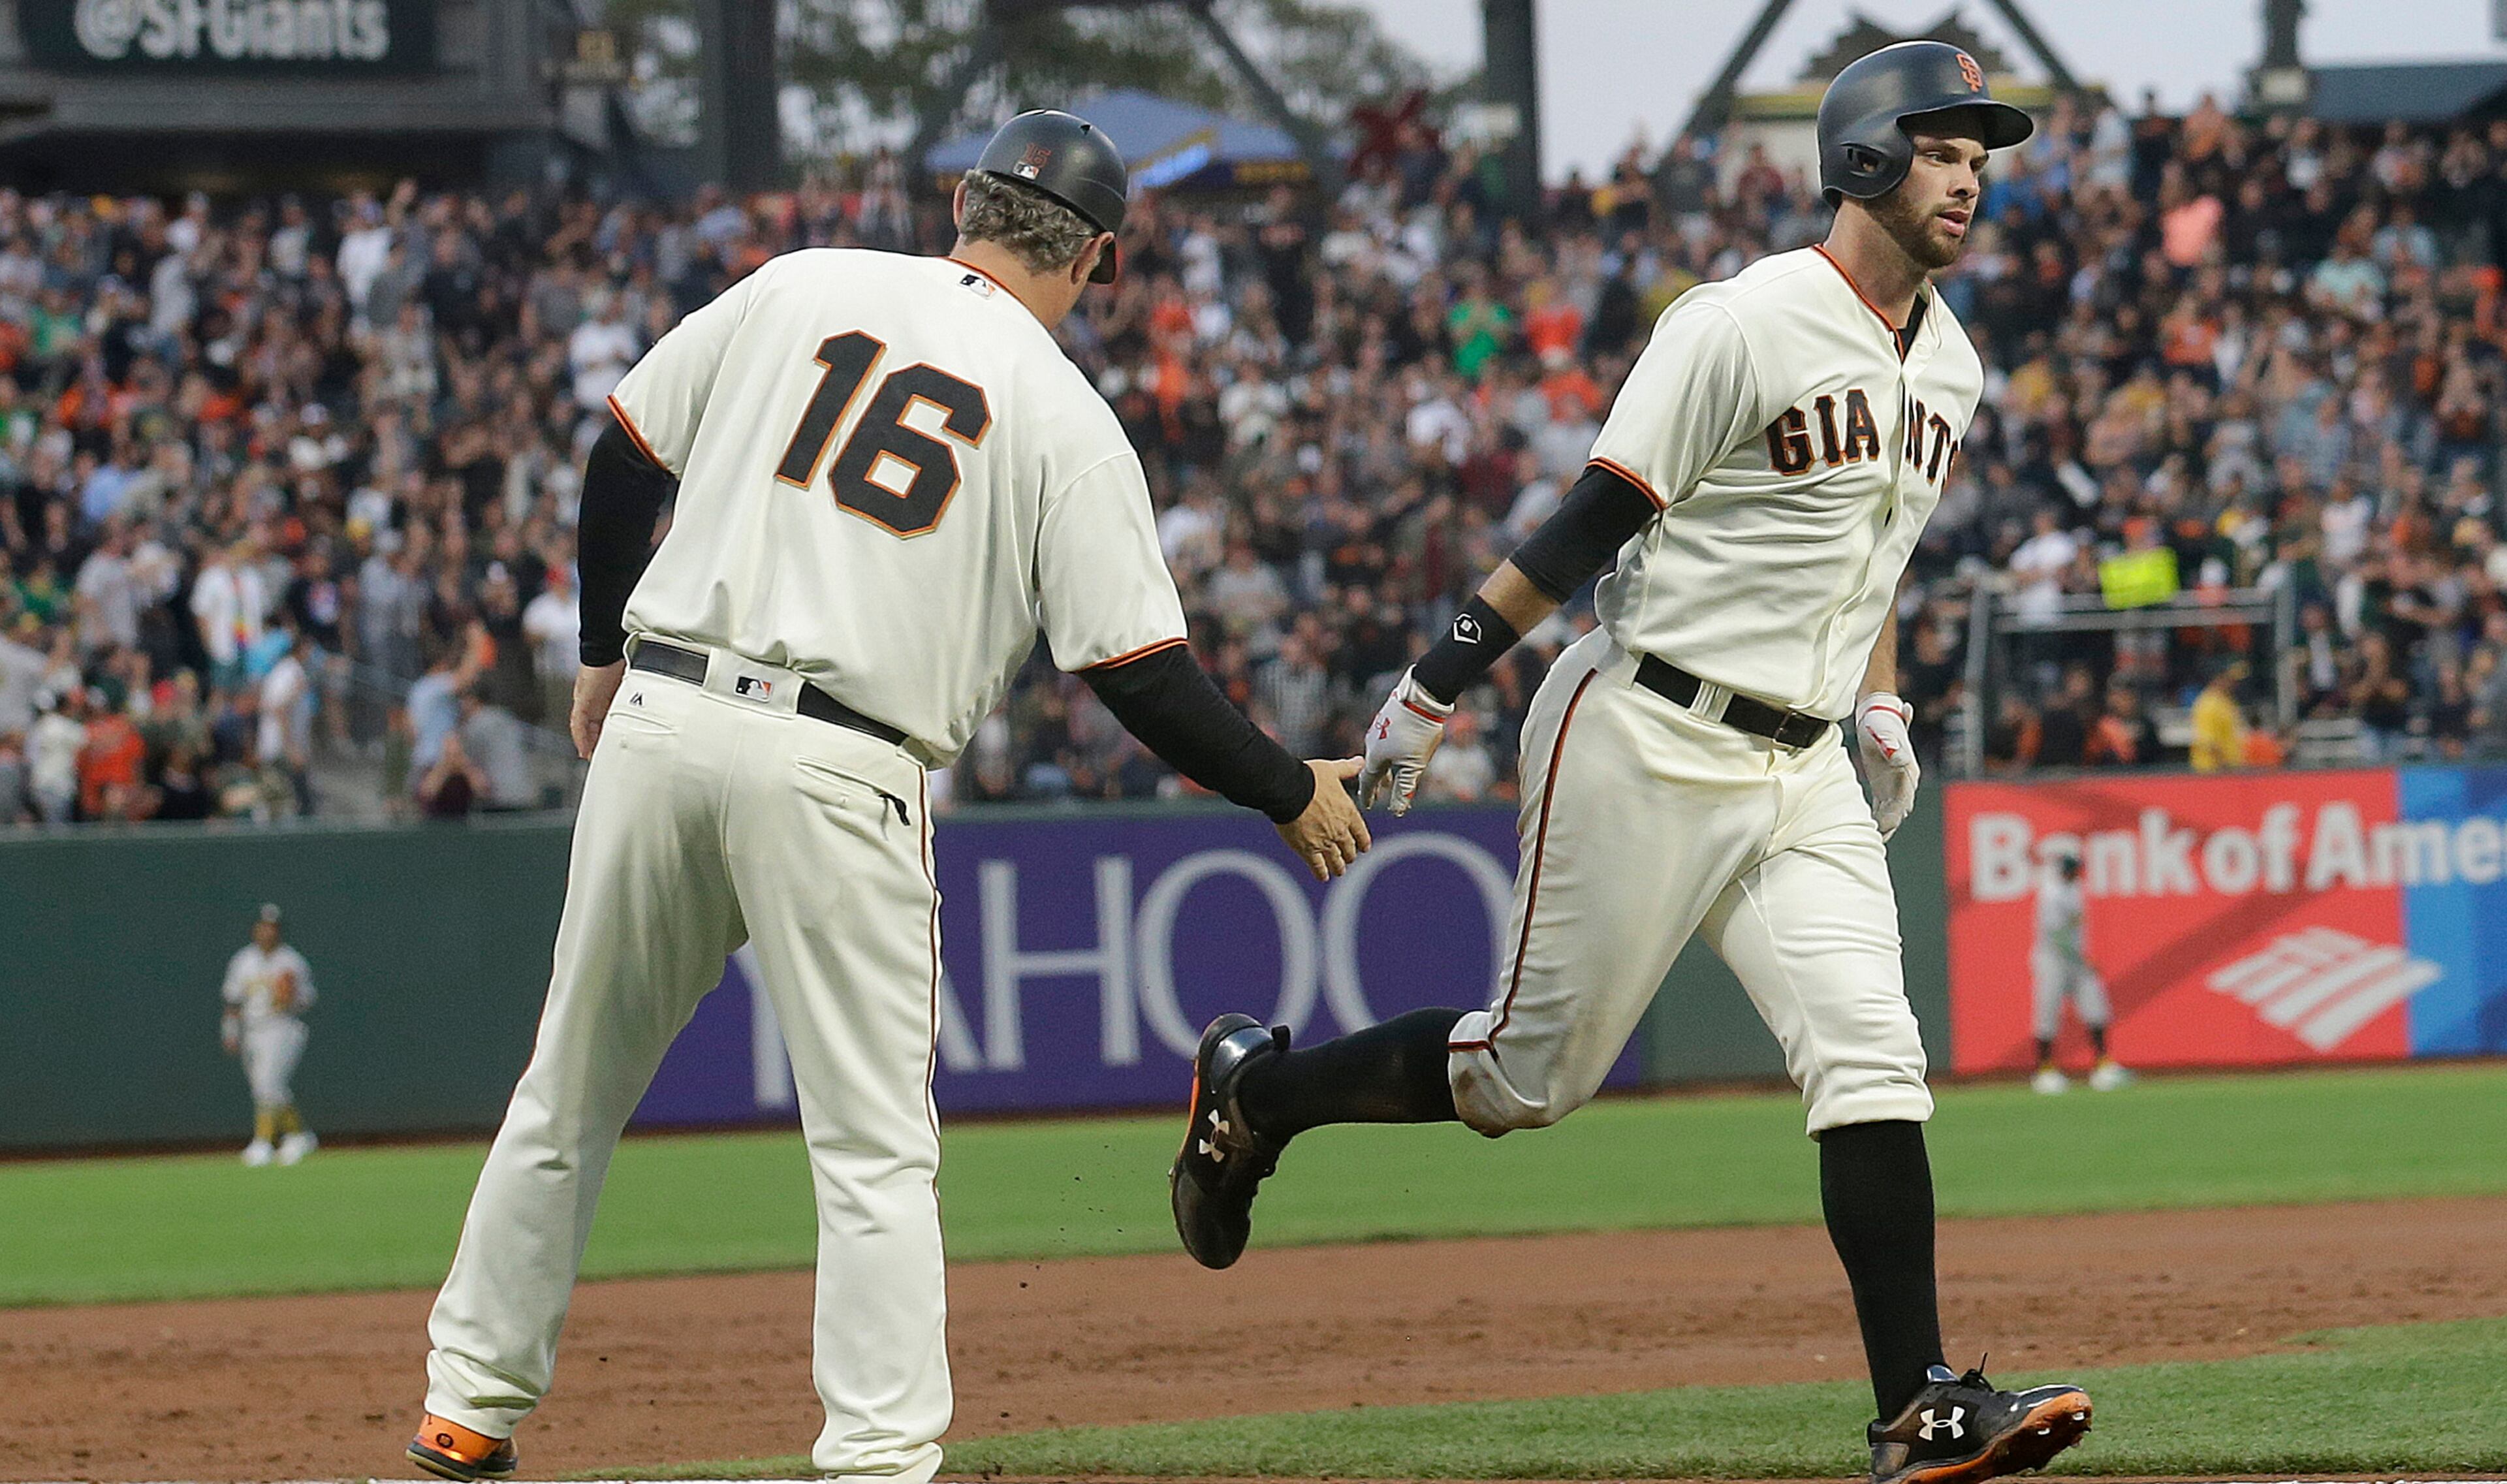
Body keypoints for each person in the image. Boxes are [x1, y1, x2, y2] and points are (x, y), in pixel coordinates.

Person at [1167, 44, 2090, 1484]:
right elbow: (1595, 515)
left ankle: (1917, 1401)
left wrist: (1883, 699)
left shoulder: (1953, 357)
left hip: (1801, 767)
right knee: (1526, 1077)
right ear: (1860, 154)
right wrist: (1433, 685)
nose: (1972, 169)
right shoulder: (1742, 320)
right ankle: (1258, 1094)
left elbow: (1870, 545)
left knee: (1872, 1056)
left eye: (1984, 147)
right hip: (1649, 725)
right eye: (1941, 142)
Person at [409, 109, 1369, 1483]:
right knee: (870, 1146)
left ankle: (466, 1407)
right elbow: (1141, 673)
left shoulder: (804, 280)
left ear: (966, 201)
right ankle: (876, 1458)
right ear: (1099, 257)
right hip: (838, 758)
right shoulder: (1063, 413)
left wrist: (602, 652)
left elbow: (622, 453)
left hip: (667, 712)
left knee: (566, 1092)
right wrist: (1287, 789)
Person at [221, 903, 318, 1165]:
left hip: (282, 1027)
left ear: (279, 931)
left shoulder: (291, 961)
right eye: (263, 926)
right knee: (269, 1089)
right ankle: (300, 1136)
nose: (267, 932)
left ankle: (262, 1143)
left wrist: (292, 996)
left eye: (273, 927)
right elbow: (232, 999)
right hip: (252, 1030)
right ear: (256, 929)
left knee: (268, 1085)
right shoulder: (244, 960)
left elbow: (308, 999)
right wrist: (230, 1031)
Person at [2028, 851, 2129, 1094]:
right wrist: (2083, 957)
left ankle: (2103, 1065)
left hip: (2076, 962)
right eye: (2073, 870)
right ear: (2065, 871)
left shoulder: (2075, 889)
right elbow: (2056, 935)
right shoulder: (2050, 894)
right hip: (2052, 960)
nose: (2077, 874)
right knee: (2048, 1013)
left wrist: (2081, 958)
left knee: (2096, 1007)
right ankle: (2045, 1071)